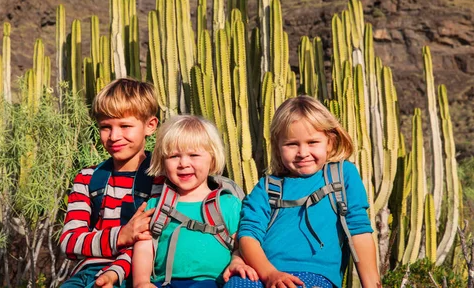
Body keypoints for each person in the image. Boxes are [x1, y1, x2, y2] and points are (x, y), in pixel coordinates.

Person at [233, 96, 380, 288]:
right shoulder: (267, 187)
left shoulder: (342, 175)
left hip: (314, 276)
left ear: (329, 142)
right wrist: (270, 274)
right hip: (264, 272)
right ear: (278, 147)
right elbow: (249, 235)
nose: (303, 152)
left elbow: (358, 230)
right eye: (292, 144)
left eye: (312, 142)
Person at [132, 115, 257, 288]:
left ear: (212, 158)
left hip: (211, 282)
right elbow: (145, 246)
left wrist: (237, 261)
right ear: (162, 160)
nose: (183, 163)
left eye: (193, 155)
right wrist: (142, 282)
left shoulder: (228, 204)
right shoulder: (156, 206)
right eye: (174, 156)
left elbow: (241, 244)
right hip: (164, 283)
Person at [60, 78, 162, 288]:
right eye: (106, 127)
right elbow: (69, 242)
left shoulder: (159, 178)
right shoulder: (87, 179)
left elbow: (154, 241)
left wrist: (115, 271)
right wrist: (120, 237)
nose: (114, 136)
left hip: (139, 273)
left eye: (125, 126)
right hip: (88, 273)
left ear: (150, 126)